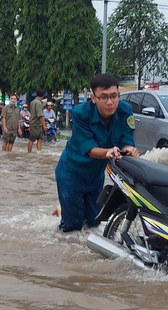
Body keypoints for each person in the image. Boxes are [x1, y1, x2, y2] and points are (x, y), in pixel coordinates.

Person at [54, 74, 139, 232]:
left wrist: (128, 149)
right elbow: (90, 149)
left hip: (95, 176)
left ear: (119, 94)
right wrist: (109, 151)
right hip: (71, 175)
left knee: (95, 222)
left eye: (114, 96)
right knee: (73, 226)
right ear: (93, 98)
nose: (110, 102)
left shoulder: (125, 111)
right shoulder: (81, 113)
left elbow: (127, 139)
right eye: (104, 97)